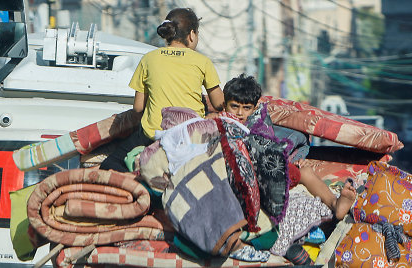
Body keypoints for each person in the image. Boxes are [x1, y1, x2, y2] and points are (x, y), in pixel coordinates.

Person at [100, 8, 224, 172]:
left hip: (152, 135)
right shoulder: (203, 62)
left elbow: (138, 108)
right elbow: (219, 103)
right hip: (189, 137)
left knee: (108, 165)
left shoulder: (149, 58)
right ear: (192, 34)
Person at [220, 74, 356, 221]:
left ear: (254, 109)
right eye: (234, 106)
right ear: (224, 105)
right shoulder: (218, 124)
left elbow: (271, 151)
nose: (240, 113)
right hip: (238, 175)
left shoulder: (260, 126)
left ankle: (335, 204)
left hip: (267, 174)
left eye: (246, 108)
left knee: (305, 172)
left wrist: (290, 163)